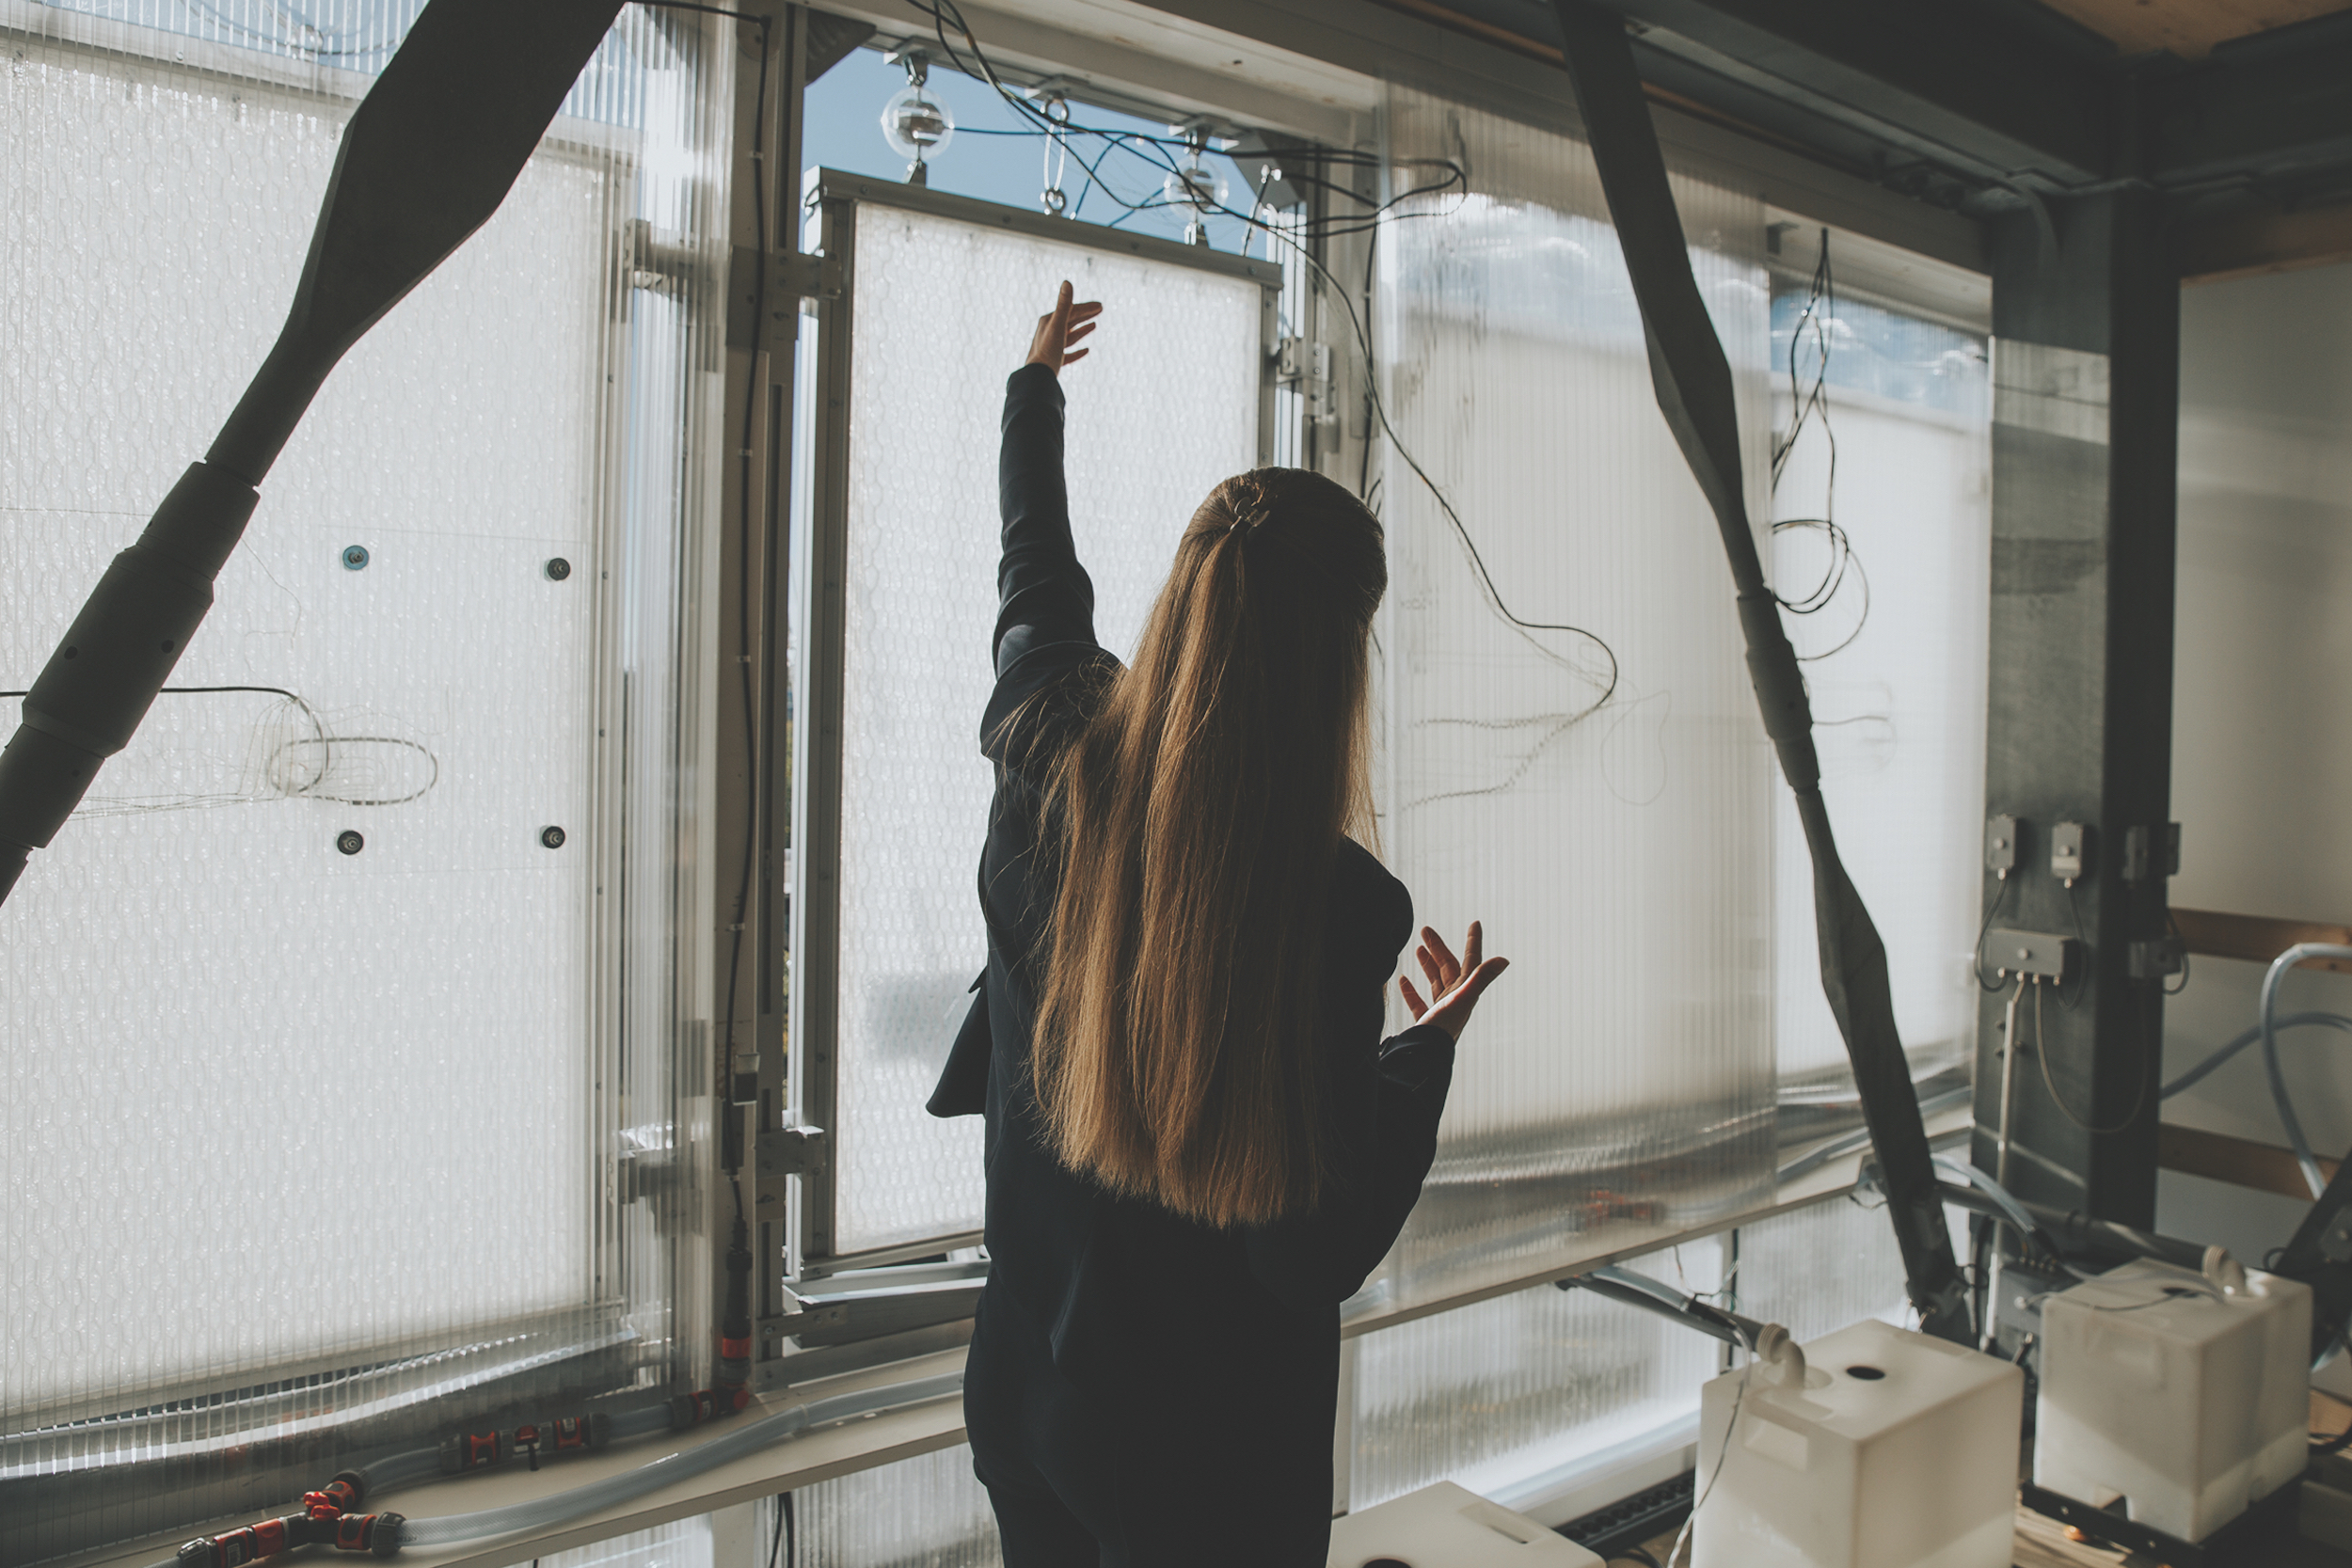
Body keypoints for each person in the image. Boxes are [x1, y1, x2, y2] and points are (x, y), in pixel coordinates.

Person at [928, 281, 1508, 1566]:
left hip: (1025, 1388)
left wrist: (1036, 393)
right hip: (1203, 1468)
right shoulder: (1336, 907)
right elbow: (1309, 1255)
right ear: (1339, 664)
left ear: (1183, 593)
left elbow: (1035, 566)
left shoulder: (1043, 732)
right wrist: (1423, 1052)